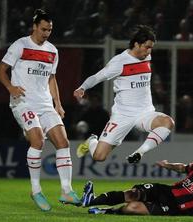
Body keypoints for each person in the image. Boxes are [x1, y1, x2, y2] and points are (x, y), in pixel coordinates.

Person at [0, 9, 80, 211]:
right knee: (38, 140)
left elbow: (52, 78)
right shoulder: (20, 45)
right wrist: (10, 88)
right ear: (34, 27)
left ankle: (66, 190)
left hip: (45, 104)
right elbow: (0, 70)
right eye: (43, 29)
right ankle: (35, 190)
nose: (46, 33)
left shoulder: (52, 51)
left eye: (49, 30)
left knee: (63, 141)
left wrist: (58, 104)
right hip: (23, 102)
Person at [74, 25, 174, 163]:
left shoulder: (147, 56)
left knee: (168, 122)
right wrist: (82, 88)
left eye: (151, 47)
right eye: (147, 47)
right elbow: (98, 76)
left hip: (145, 112)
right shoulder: (119, 62)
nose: (149, 51)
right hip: (122, 115)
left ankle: (140, 152)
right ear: (136, 44)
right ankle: (92, 141)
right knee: (99, 157)